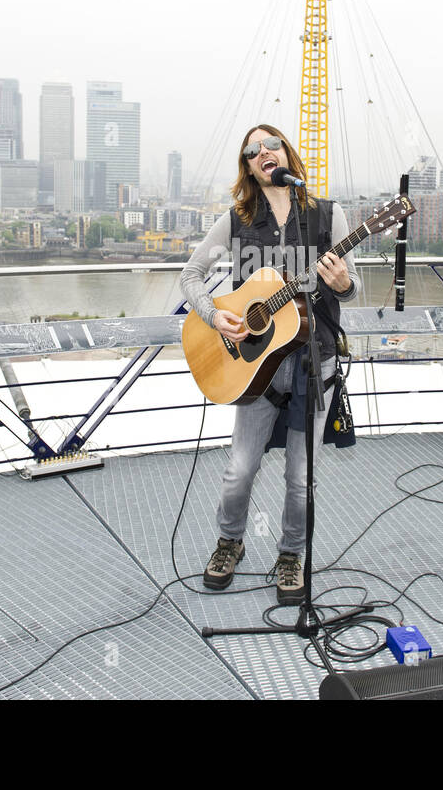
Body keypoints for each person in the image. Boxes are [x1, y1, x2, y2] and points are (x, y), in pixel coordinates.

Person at [179, 124, 360, 604]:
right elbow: (191, 275)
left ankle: (292, 554)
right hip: (254, 365)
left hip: (311, 360)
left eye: (271, 145)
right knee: (240, 469)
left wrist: (341, 283)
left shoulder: (326, 216)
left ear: (285, 153)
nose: (263, 152)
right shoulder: (237, 221)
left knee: (302, 478)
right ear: (248, 165)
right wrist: (216, 315)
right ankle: (229, 542)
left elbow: (352, 287)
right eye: (252, 150)